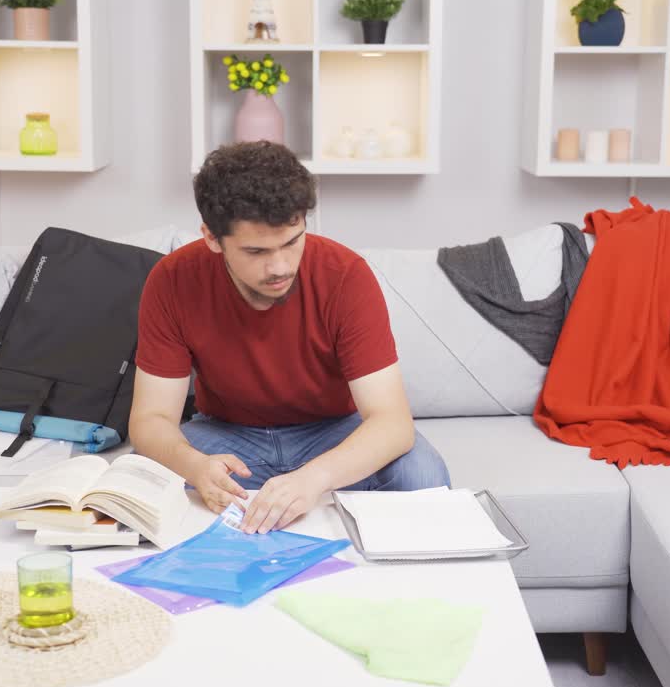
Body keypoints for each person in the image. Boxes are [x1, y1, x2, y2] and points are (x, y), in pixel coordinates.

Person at [128, 141, 450, 535]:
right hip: (227, 436)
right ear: (212, 238)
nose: (280, 266)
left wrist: (313, 479)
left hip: (333, 430)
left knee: (423, 471)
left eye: (292, 241)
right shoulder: (172, 280)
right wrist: (196, 467)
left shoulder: (345, 275)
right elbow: (150, 420)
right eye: (257, 251)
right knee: (137, 478)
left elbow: (392, 423)